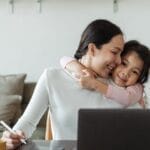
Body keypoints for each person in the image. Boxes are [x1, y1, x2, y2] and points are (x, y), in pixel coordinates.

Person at [1, 19, 125, 150]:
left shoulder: (118, 86)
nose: (119, 61)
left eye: (121, 54)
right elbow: (27, 123)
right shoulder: (53, 77)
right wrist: (10, 138)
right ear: (92, 49)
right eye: (114, 52)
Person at [60, 40, 150, 108]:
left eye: (135, 72)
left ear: (140, 77)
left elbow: (127, 98)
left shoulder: (137, 88)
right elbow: (64, 59)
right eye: (124, 63)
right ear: (117, 60)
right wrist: (82, 70)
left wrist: (95, 84)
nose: (126, 73)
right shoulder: (105, 74)